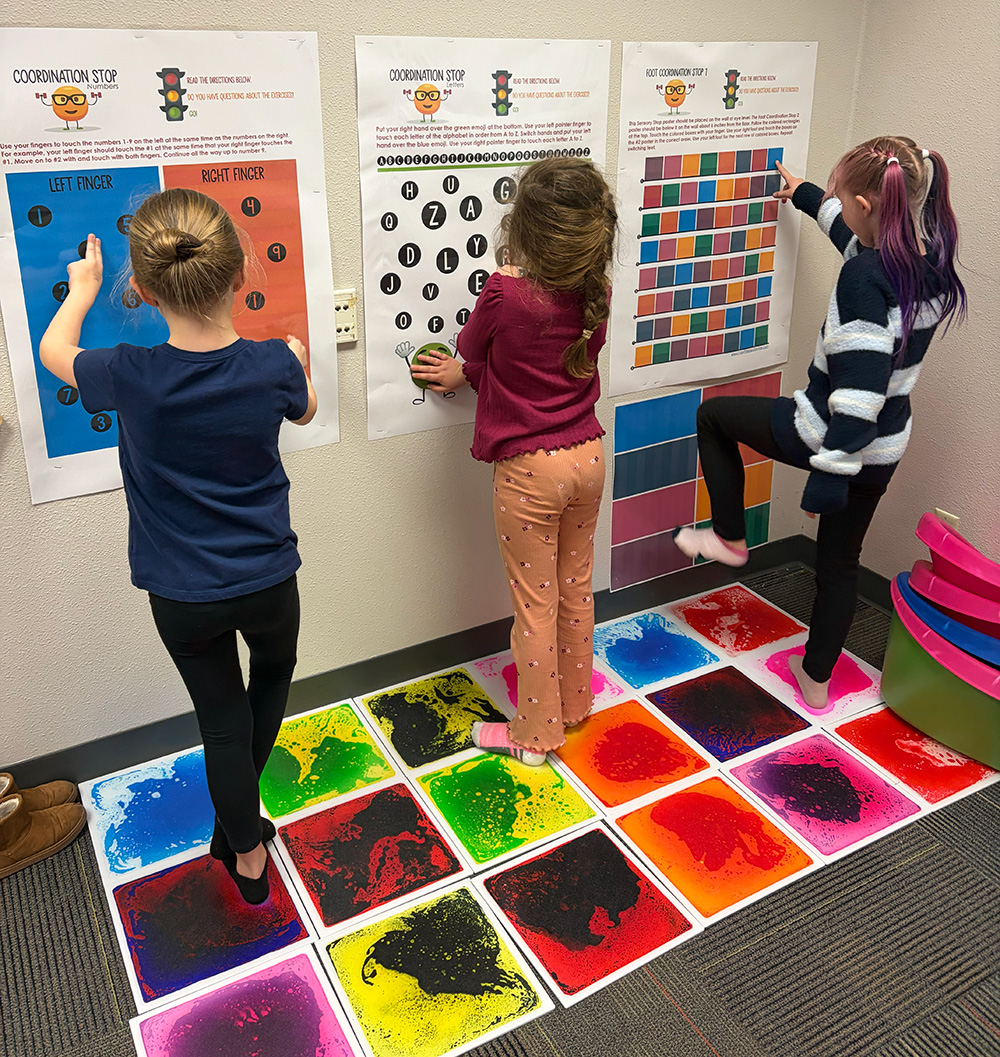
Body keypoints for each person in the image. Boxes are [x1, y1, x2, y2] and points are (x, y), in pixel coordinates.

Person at [39, 188, 317, 903]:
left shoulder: (131, 372)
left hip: (182, 595)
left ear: (143, 287)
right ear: (240, 276)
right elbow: (305, 405)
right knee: (271, 685)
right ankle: (238, 825)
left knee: (222, 724)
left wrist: (82, 289)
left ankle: (244, 849)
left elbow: (54, 351)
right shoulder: (274, 362)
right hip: (267, 581)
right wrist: (293, 357)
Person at [674, 136, 966, 714]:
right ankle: (816, 683)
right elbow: (855, 238)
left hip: (831, 434)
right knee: (840, 564)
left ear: (867, 203)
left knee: (713, 416)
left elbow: (858, 393)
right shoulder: (925, 260)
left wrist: (829, 475)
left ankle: (730, 537)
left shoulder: (863, 281)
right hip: (886, 448)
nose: (840, 207)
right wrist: (808, 196)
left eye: (841, 196)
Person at [411, 157, 617, 764]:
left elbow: (472, 350)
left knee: (536, 603)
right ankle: (574, 704)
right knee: (576, 586)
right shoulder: (595, 293)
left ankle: (533, 737)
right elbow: (549, 363)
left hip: (531, 470)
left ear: (522, 230)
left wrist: (466, 369)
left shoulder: (504, 292)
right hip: (588, 455)